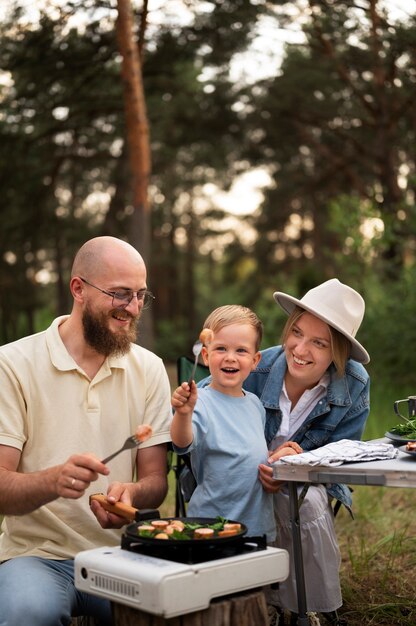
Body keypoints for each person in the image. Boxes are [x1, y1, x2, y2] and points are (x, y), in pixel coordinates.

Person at [0, 236, 172, 626]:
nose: (132, 308)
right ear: (78, 288)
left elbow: (156, 480)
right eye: (120, 294)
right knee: (24, 614)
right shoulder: (11, 364)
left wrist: (133, 493)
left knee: (180, 609)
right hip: (35, 556)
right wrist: (53, 481)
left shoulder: (149, 368)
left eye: (141, 295)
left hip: (126, 555)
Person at [243, 279, 370, 626]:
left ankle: (313, 608)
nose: (300, 348)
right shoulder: (256, 365)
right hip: (240, 474)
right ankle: (270, 599)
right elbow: (204, 407)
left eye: (319, 343)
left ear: (337, 353)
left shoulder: (354, 384)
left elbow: (339, 456)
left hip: (307, 483)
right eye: (296, 332)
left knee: (306, 498)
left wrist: (292, 466)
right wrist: (263, 458)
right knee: (280, 495)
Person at [171, 305, 275, 541]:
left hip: (257, 526)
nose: (230, 357)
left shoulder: (256, 405)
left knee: (257, 578)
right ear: (206, 356)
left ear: (255, 360)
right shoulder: (201, 401)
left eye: (241, 350)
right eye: (221, 348)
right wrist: (184, 413)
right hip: (212, 527)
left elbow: (250, 450)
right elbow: (182, 443)